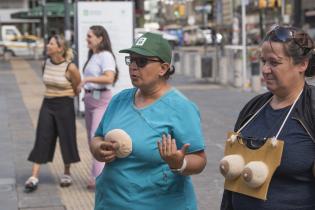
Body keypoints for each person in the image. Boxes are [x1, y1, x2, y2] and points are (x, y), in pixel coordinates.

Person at [89, 32, 207, 210]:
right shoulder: (119, 100)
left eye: (142, 61)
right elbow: (97, 137)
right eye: (131, 60)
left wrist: (179, 163)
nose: (133, 67)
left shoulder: (181, 108)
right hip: (110, 202)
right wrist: (99, 149)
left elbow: (199, 160)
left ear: (163, 68)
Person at [220, 25, 315, 210]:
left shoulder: (311, 109)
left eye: (274, 62)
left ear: (302, 64)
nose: (265, 69)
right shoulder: (253, 108)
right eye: (263, 61)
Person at [24, 34, 81, 192]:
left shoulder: (70, 67)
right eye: (48, 43)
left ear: (60, 48)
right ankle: (34, 176)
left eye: (51, 44)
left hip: (65, 104)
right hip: (47, 104)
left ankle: (67, 173)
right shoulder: (45, 63)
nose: (48, 45)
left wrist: (67, 97)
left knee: (66, 137)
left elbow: (77, 87)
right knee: (42, 136)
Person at [77, 25, 119, 189]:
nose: (87, 39)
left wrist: (87, 81)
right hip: (89, 99)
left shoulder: (105, 56)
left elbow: (109, 78)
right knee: (91, 141)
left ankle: (97, 178)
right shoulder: (92, 55)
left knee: (97, 138)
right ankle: (102, 173)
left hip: (102, 100)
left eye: (90, 36)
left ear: (100, 38)